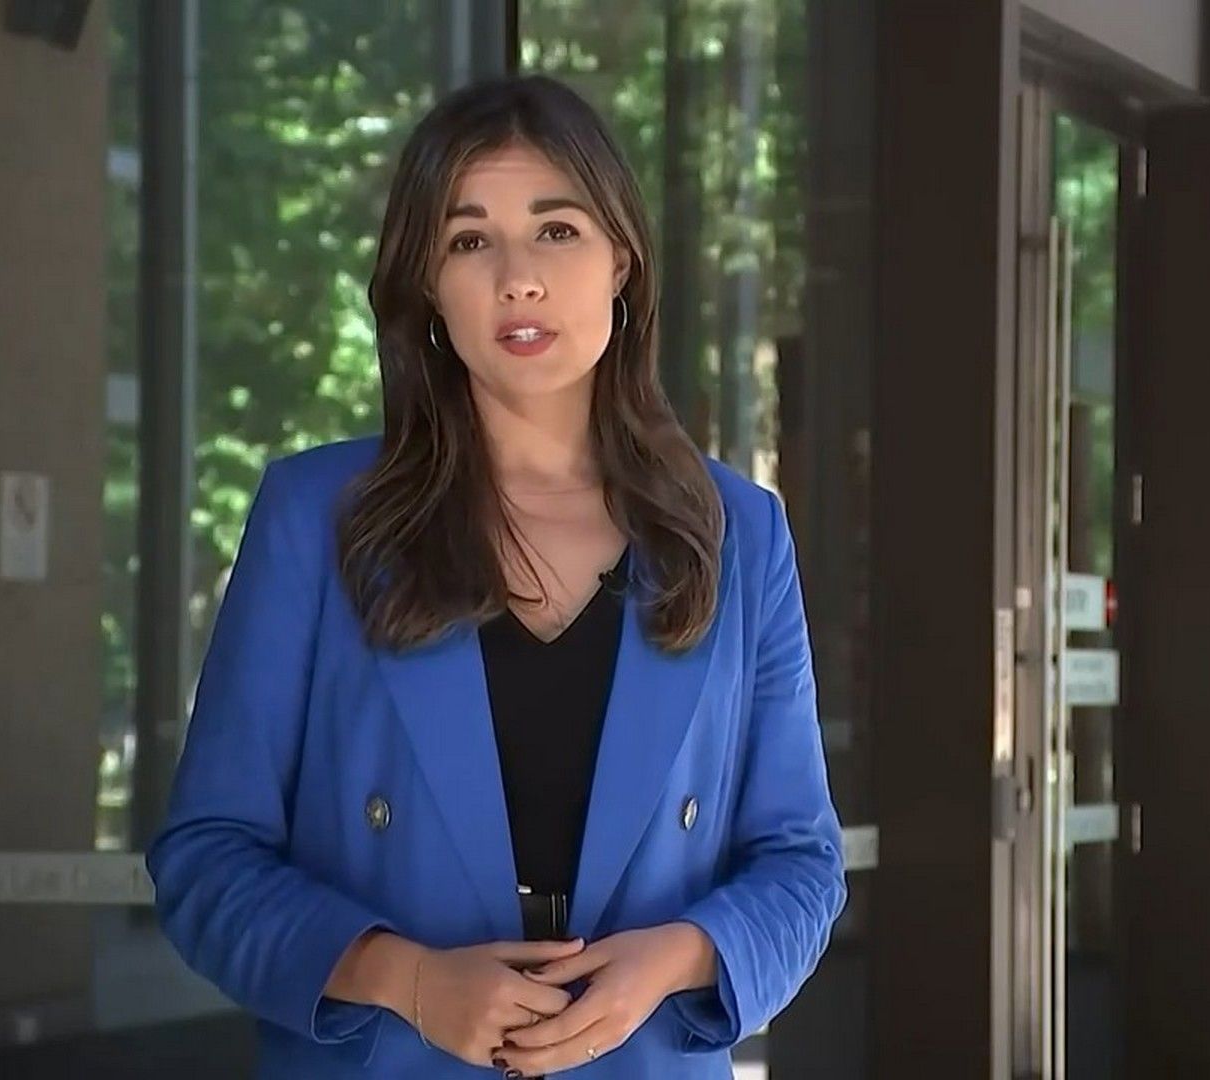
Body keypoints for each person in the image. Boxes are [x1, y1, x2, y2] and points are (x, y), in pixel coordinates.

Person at [145, 73, 847, 1079]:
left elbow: (802, 866)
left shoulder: (738, 533)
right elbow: (207, 858)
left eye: (556, 230)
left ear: (620, 260)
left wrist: (675, 960)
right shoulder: (317, 518)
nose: (518, 278)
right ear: (427, 284)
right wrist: (406, 980)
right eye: (470, 241)